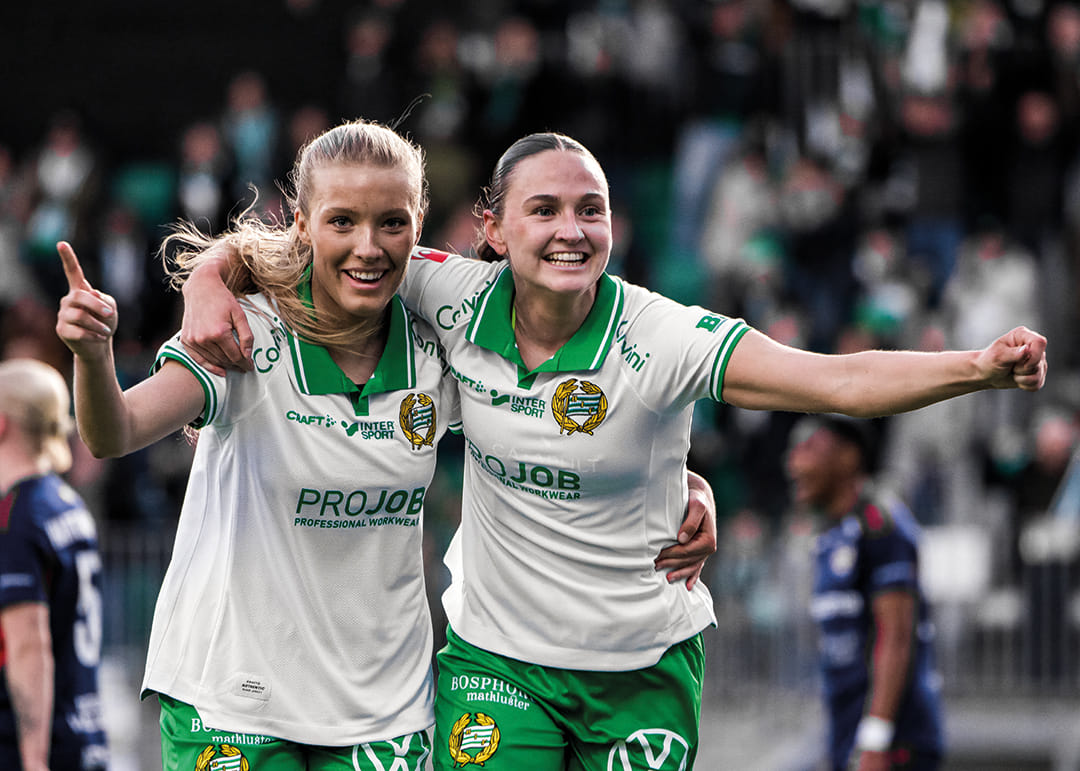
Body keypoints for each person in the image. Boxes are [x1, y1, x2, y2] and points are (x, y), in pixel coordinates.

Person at [180, 131, 1047, 771]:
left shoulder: (660, 336)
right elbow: (313, 244)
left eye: (589, 209)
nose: (570, 229)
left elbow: (836, 380)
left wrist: (975, 367)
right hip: (499, 660)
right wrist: (209, 277)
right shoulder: (440, 285)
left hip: (641, 666)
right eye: (544, 209)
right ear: (493, 228)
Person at [54, 119, 460, 770]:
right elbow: (115, 431)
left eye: (391, 222)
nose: (368, 247)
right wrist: (93, 355)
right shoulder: (243, 330)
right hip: (233, 700)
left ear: (418, 224)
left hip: (384, 710)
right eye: (342, 221)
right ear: (302, 224)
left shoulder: (439, 346)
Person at [787, 415, 945, 771]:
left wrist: (876, 739)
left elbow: (896, 636)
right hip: (849, 735)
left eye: (809, 448)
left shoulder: (881, 525)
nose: (794, 463)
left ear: (848, 457)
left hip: (894, 743)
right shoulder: (829, 534)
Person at [0, 358, 109, 771]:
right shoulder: (65, 504)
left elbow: (29, 644)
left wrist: (33, 759)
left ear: (2, 424)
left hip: (29, 748)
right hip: (82, 733)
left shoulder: (15, 516)